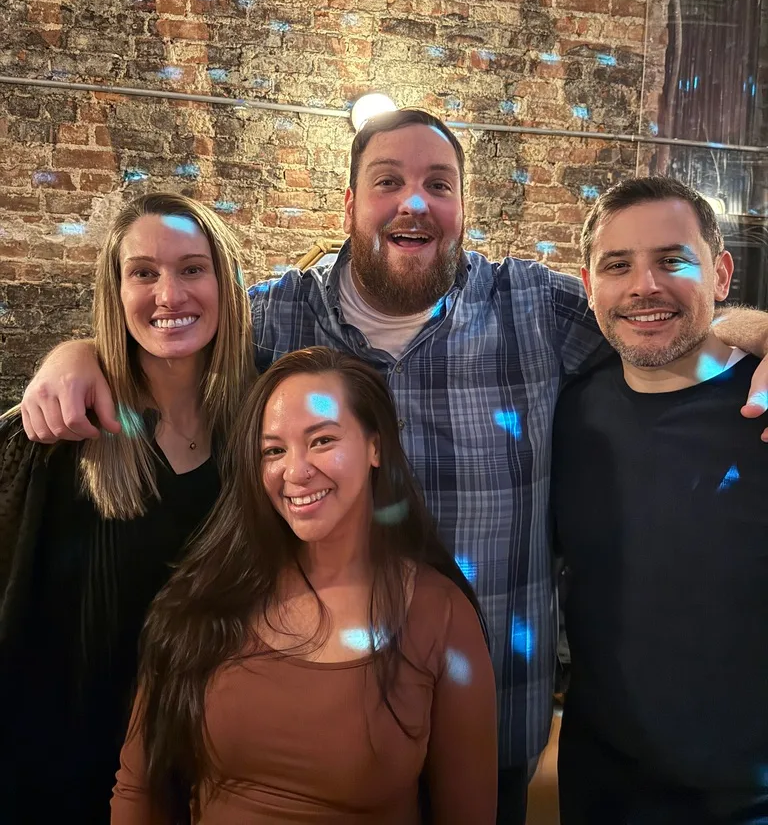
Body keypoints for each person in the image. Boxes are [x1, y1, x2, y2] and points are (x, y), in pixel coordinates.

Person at [19, 111, 768, 824]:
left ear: (464, 206)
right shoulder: (278, 318)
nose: (415, 202)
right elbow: (174, 320)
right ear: (349, 202)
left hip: (500, 721)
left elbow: (654, 320)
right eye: (388, 182)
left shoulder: (536, 308)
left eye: (439, 184)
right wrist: (77, 355)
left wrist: (757, 331)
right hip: (324, 722)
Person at [110, 346, 497, 824]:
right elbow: (138, 789)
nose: (294, 472)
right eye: (273, 450)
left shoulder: (440, 614)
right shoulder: (207, 593)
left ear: (375, 445)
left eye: (321, 441)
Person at [0, 193, 252, 822]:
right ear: (115, 292)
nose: (169, 295)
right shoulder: (56, 435)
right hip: (64, 770)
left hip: (210, 763)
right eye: (143, 272)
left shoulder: (263, 432)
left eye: (192, 268)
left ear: (226, 283)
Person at [552, 176, 768, 824]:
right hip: (598, 787)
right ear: (588, 288)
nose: (644, 285)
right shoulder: (570, 412)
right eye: (618, 265)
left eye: (673, 260)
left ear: (721, 274)